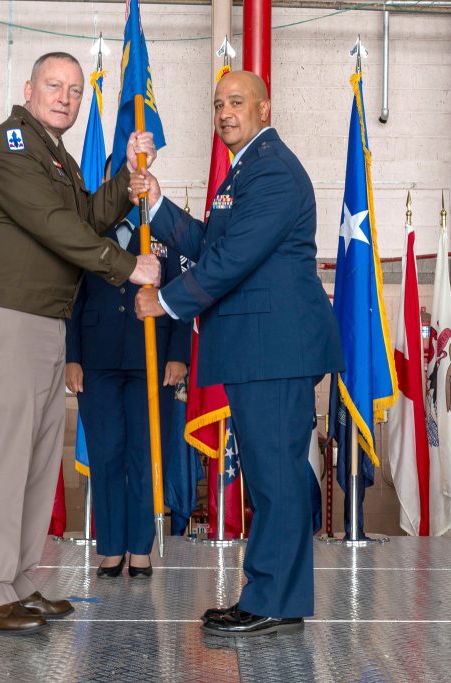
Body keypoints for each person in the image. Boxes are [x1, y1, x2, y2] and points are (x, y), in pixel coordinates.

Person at [0, 51, 160, 635]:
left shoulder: (57, 157)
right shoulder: (9, 145)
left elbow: (87, 215)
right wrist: (128, 266)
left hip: (42, 321)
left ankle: (15, 582)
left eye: (74, 89)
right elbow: (51, 223)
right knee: (2, 458)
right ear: (28, 88)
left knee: (37, 461)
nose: (66, 96)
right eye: (54, 85)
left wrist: (125, 180)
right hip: (3, 319)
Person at [133, 70, 345, 637]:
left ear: (264, 108)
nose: (225, 112)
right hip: (260, 347)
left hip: (275, 347)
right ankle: (271, 593)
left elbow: (234, 260)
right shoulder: (246, 168)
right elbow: (215, 244)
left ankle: (275, 600)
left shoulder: (272, 169)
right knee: (271, 474)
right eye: (218, 103)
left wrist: (167, 303)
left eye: (237, 102)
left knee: (275, 476)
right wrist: (157, 207)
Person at [65, 200, 191, 578]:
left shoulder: (164, 233)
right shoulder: (86, 231)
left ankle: (139, 548)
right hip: (97, 360)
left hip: (152, 358)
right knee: (106, 456)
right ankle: (110, 548)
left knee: (146, 455)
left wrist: (179, 355)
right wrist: (72, 357)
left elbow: (184, 293)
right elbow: (71, 298)